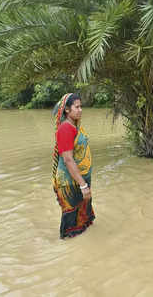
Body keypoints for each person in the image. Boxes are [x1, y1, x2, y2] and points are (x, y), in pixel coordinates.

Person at [52, 93, 95, 239]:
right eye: (76, 107)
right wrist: (83, 186)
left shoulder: (74, 126)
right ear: (67, 110)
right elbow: (68, 160)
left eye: (81, 106)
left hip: (79, 181)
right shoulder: (65, 129)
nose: (80, 110)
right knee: (71, 228)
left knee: (83, 222)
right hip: (71, 183)